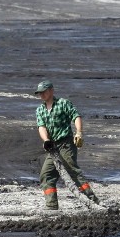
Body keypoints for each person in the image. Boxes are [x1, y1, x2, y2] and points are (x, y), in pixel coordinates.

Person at [34, 80, 99, 209]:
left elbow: (76, 116)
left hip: (66, 144)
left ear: (51, 91)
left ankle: (92, 201)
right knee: (46, 175)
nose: (41, 95)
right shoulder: (40, 110)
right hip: (52, 148)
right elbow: (41, 127)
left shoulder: (63, 104)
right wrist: (46, 140)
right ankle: (51, 205)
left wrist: (79, 133)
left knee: (73, 173)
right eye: (39, 93)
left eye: (43, 92)